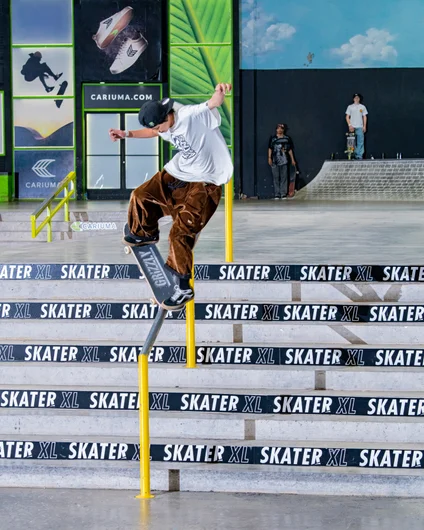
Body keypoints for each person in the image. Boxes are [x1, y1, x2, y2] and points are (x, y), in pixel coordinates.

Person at [109, 83, 233, 309]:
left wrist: (220, 90)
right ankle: (144, 232)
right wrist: (125, 134)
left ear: (169, 116)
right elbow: (151, 131)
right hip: (180, 172)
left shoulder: (190, 115)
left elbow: (212, 103)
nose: (159, 131)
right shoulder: (162, 124)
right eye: (157, 129)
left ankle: (182, 286)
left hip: (205, 182)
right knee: (141, 195)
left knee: (180, 233)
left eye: (160, 127)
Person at [268, 124, 297, 199]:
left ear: (284, 130)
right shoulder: (273, 139)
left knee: (284, 177)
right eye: (278, 128)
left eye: (281, 128)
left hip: (284, 160)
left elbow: (290, 150)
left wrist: (292, 159)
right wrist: (269, 158)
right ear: (276, 129)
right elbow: (270, 148)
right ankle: (277, 194)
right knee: (276, 177)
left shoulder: (287, 139)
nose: (280, 130)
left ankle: (283, 193)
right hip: (275, 161)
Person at [345, 93, 368, 160]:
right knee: (351, 141)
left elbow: (364, 116)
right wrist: (349, 125)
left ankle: (359, 155)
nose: (356, 99)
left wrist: (364, 126)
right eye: (355, 98)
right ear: (353, 99)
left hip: (360, 126)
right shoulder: (350, 107)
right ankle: (351, 155)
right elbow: (347, 117)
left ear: (359, 99)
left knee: (360, 141)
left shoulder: (362, 107)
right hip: (352, 127)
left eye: (357, 98)